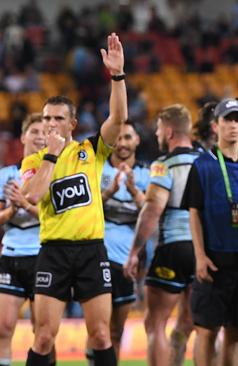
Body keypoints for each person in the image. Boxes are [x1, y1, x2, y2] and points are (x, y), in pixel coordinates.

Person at [21, 33, 127, 366]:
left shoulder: (89, 151)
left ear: (73, 123)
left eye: (57, 118)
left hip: (90, 249)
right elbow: (34, 194)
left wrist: (118, 76)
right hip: (53, 252)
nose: (50, 124)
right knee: (42, 337)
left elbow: (118, 120)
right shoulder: (34, 162)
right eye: (46, 118)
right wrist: (50, 156)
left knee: (100, 335)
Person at [182, 98, 238, 366]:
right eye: (226, 119)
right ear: (215, 125)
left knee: (236, 332)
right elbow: (193, 211)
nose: (232, 125)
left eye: (237, 119)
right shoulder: (202, 165)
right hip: (214, 259)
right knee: (206, 331)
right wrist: (199, 255)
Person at [124, 104, 201, 366]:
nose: (156, 134)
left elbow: (153, 209)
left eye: (158, 129)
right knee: (198, 324)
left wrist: (134, 251)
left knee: (155, 323)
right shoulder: (208, 161)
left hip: (173, 247)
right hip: (204, 250)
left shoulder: (163, 165)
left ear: (168, 131)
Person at [88, 121, 149, 362]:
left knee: (116, 331)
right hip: (96, 255)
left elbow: (152, 213)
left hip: (127, 261)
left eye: (127, 137)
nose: (122, 143)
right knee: (97, 330)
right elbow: (85, 208)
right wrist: (110, 191)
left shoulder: (147, 173)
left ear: (137, 141)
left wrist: (133, 191)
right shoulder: (97, 169)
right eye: (118, 138)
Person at [0, 114, 46, 366]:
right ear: (23, 136)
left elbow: (56, 218)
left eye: (44, 132)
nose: (40, 136)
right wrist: (11, 210)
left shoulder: (53, 174)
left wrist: (25, 205)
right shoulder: (6, 175)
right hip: (11, 255)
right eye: (34, 131)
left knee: (43, 331)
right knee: (3, 327)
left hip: (44, 256)